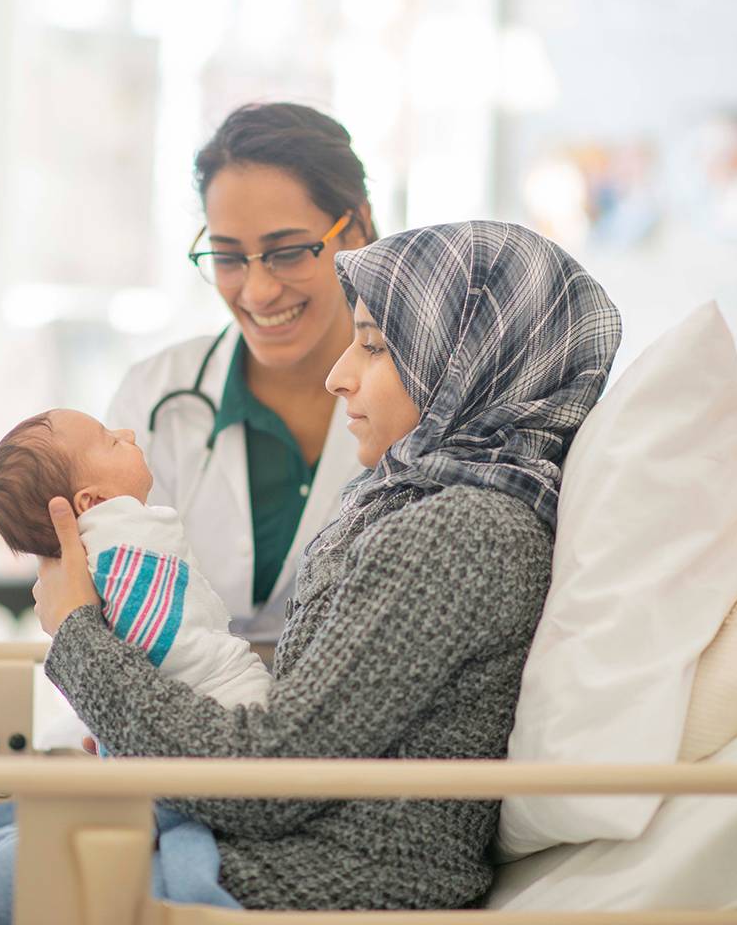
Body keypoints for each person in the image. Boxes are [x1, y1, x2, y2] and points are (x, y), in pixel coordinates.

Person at [35, 220, 623, 910]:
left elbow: (267, 780)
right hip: (289, 856)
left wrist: (78, 634)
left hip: (323, 882)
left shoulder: (461, 534)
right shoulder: (412, 504)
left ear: (465, 363)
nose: (338, 376)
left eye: (372, 347)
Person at [105, 102, 379, 644]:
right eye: (228, 258)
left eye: (288, 253)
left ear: (357, 230)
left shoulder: (426, 402)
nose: (257, 292)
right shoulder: (154, 396)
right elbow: (105, 603)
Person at [0, 408, 269, 709]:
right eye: (112, 442)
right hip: (222, 693)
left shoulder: (91, 567)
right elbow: (163, 652)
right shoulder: (127, 547)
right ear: (94, 501)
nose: (128, 435)